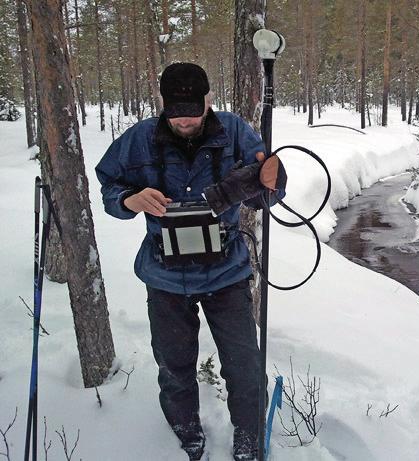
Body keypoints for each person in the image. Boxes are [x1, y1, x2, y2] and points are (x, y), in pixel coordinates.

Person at [95, 62, 286, 461]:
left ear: (208, 102)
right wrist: (129, 200)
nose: (185, 120)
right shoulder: (139, 139)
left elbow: (267, 196)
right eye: (176, 111)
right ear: (162, 103)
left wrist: (272, 180)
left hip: (227, 270)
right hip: (164, 275)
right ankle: (184, 433)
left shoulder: (234, 131)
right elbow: (109, 185)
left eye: (193, 111)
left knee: (244, 364)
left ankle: (248, 436)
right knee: (174, 364)